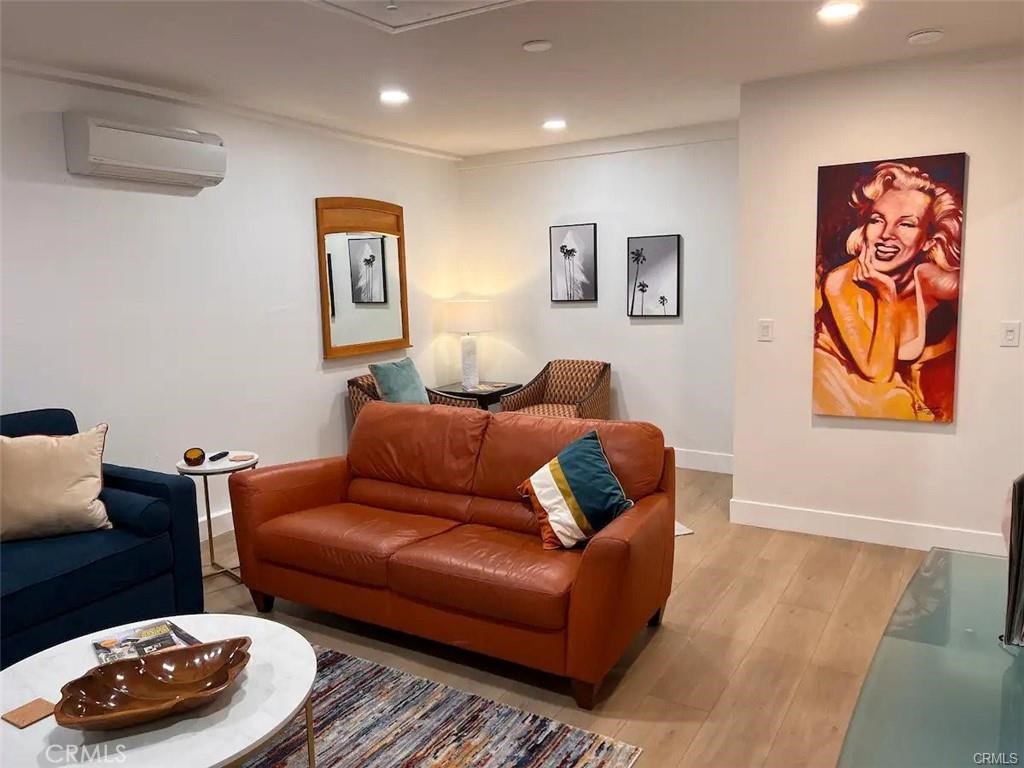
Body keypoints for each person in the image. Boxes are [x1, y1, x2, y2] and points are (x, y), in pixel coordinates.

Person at [813, 161, 962, 422]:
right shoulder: (839, 282)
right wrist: (886, 295)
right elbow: (878, 372)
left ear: (929, 238)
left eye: (906, 224)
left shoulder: (929, 279)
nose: (885, 234)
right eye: (877, 220)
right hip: (838, 397)